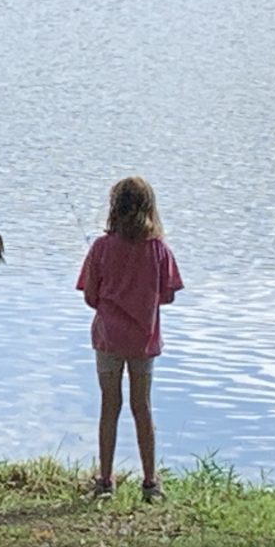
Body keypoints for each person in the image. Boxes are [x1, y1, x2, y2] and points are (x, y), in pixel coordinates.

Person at [75, 176, 183, 500]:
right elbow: (169, 296)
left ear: (114, 209)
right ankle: (150, 483)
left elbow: (90, 297)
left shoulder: (101, 248)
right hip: (143, 342)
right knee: (142, 407)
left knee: (110, 406)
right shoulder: (159, 250)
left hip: (108, 339)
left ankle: (105, 481)